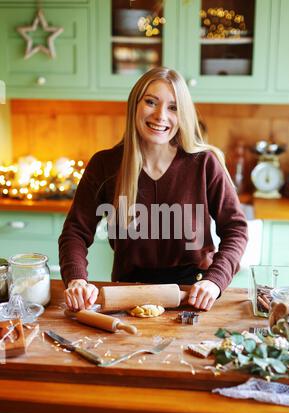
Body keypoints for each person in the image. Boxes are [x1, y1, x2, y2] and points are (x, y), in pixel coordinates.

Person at [59, 67, 248, 312]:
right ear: (134, 105)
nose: (160, 116)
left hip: (193, 295)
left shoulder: (204, 164)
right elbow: (75, 231)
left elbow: (236, 229)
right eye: (151, 102)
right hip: (128, 295)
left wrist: (215, 281)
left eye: (173, 107)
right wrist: (77, 279)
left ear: (183, 115)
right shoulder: (105, 165)